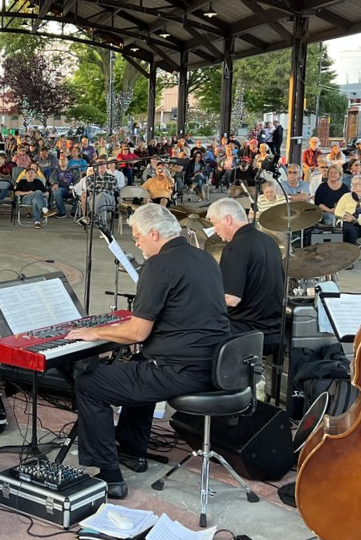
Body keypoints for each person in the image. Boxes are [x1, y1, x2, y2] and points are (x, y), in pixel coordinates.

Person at [68, 204, 228, 498]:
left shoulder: (158, 265)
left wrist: (95, 332)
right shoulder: (205, 258)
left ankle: (109, 474)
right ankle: (132, 451)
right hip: (216, 365)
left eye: (138, 236)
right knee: (138, 363)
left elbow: (137, 332)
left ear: (154, 234)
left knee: (90, 385)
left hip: (180, 371)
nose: (137, 242)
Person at [209, 198, 286, 355]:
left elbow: (231, 299)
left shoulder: (235, 248)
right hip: (276, 329)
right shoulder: (269, 242)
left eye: (215, 223)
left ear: (228, 219)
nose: (214, 230)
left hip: (245, 331)